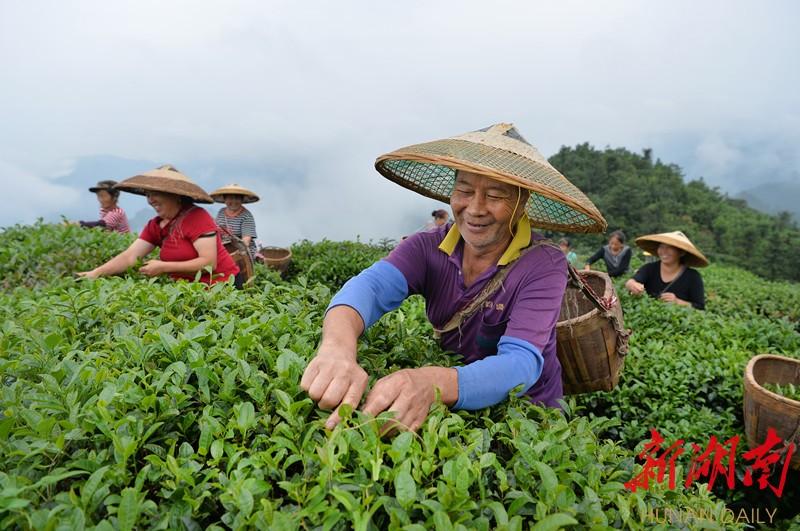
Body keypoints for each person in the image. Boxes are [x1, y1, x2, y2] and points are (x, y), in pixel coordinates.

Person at [300, 123, 607, 432]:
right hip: (459, 401)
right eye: (464, 191)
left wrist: (430, 382)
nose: (474, 208)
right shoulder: (426, 247)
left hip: (527, 418)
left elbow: (520, 364)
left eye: (495, 195)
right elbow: (368, 288)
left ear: (521, 202)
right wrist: (337, 349)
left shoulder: (543, 263)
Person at [77, 165, 240, 286]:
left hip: (222, 287)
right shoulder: (155, 225)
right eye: (148, 194)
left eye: (156, 194)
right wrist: (95, 273)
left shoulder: (197, 217)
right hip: (190, 290)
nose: (150, 200)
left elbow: (209, 263)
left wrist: (163, 267)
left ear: (175, 195)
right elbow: (130, 256)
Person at [625, 231, 707, 310]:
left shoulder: (693, 276)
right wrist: (632, 285)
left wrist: (677, 302)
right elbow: (631, 281)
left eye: (670, 248)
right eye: (661, 247)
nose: (664, 251)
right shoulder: (650, 268)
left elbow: (699, 307)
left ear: (681, 253)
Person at [210, 184, 260, 259]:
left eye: (237, 198)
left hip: (242, 253)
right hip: (224, 249)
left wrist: (233, 254)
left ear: (242, 200)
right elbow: (217, 232)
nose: (233, 201)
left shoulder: (246, 216)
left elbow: (245, 242)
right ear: (225, 199)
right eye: (230, 198)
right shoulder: (221, 212)